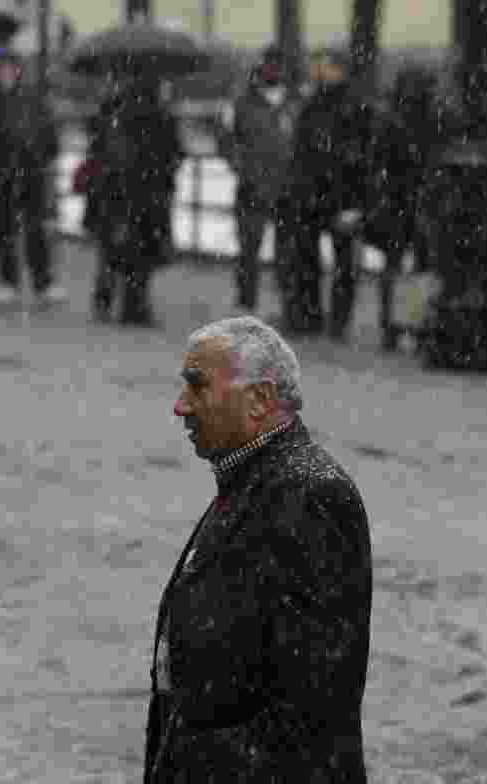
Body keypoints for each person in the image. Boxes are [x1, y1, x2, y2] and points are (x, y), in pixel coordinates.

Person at [146, 316, 373, 782]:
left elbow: (313, 712)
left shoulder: (311, 494)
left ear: (260, 400)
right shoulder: (256, 477)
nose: (180, 407)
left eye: (197, 387)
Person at [286, 44, 377, 340]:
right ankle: (315, 317)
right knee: (314, 260)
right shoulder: (320, 107)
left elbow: (364, 158)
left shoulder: (350, 108)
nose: (316, 71)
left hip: (337, 196)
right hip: (318, 196)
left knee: (340, 264)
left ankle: (331, 320)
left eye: (321, 66)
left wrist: (357, 201)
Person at [361, 66, 448, 352]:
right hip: (414, 202)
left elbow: (377, 165)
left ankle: (394, 326)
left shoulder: (393, 121)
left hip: (398, 202)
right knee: (418, 267)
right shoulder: (431, 121)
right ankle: (412, 325)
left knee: (397, 265)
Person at [88, 74, 183, 326]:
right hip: (145, 195)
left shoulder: (112, 113)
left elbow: (101, 152)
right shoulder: (160, 116)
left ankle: (107, 299)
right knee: (139, 253)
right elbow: (174, 155)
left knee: (114, 250)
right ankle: (134, 306)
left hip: (118, 194)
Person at [214, 43, 301, 316]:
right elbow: (225, 140)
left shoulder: (295, 102)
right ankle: (247, 302)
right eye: (270, 63)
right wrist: (242, 168)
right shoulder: (241, 101)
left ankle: (289, 304)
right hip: (252, 186)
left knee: (288, 250)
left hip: (288, 186)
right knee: (249, 247)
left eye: (279, 64)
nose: (275, 69)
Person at [0, 47, 65, 307]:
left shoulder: (29, 98)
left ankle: (41, 282)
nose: (6, 73)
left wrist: (42, 155)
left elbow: (48, 133)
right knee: (4, 228)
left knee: (34, 228)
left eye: (10, 67)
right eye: (2, 68)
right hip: (2, 173)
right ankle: (9, 281)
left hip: (30, 172)